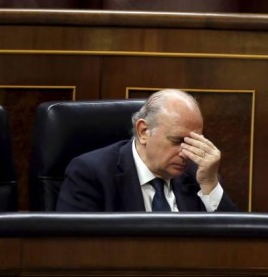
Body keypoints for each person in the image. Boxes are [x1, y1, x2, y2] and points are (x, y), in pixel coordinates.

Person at [56, 89, 238, 212]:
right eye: (178, 141)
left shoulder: (198, 176)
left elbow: (234, 245)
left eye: (193, 142)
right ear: (143, 132)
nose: (186, 153)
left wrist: (210, 184)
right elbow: (74, 249)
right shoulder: (92, 173)